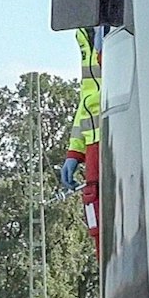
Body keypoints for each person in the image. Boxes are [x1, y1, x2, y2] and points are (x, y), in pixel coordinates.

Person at [61, 25, 103, 255]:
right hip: (93, 146)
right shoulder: (83, 34)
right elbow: (87, 98)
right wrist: (74, 152)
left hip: (119, 138)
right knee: (95, 218)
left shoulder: (120, 26)